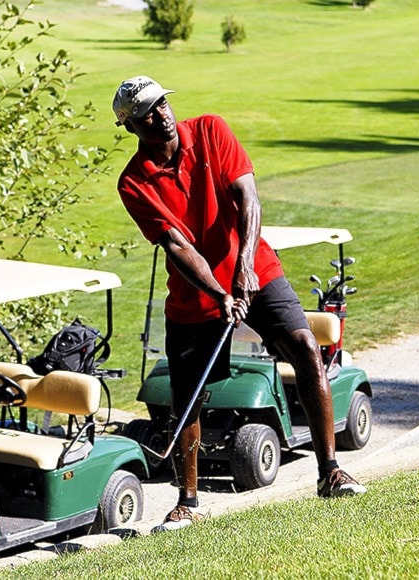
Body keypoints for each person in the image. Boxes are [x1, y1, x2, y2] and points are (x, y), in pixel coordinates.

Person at [112, 75, 366, 533]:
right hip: (194, 296)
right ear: (130, 126)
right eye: (148, 112)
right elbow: (177, 246)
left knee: (306, 347)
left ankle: (330, 471)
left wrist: (245, 266)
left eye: (163, 103)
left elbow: (248, 196)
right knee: (187, 398)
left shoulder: (210, 129)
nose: (161, 114)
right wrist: (221, 294)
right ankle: (187, 502)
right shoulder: (134, 182)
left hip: (257, 270)